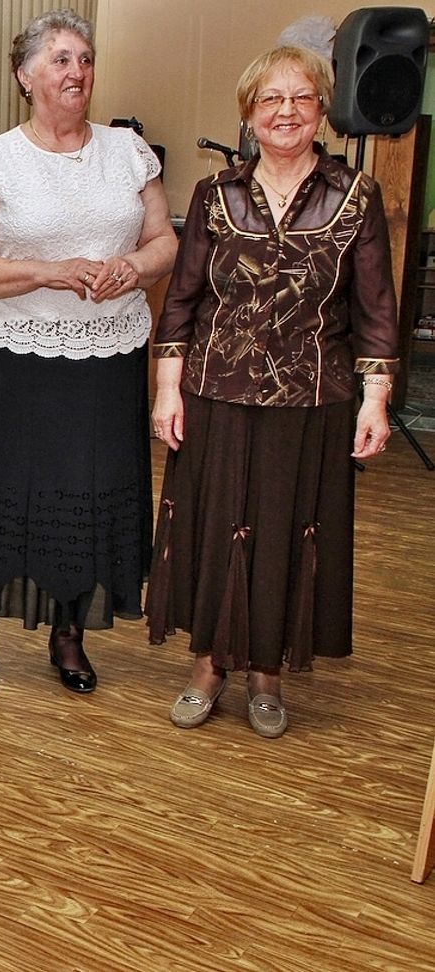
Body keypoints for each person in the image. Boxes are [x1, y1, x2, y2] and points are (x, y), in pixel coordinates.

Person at [147, 44, 399, 738]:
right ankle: (207, 666)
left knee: (286, 530)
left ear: (322, 110)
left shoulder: (357, 195)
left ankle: (266, 673)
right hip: (216, 393)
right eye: (271, 99)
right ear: (249, 113)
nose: (286, 111)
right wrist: (167, 389)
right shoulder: (215, 195)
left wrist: (375, 398)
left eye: (301, 97)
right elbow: (183, 300)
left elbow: (377, 307)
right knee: (214, 526)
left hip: (312, 398)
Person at [0, 9, 177, 697]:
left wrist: (134, 268)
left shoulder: (129, 151)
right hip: (24, 358)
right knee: (8, 491)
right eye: (61, 59)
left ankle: (70, 636)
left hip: (112, 355)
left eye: (85, 59)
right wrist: (49, 272)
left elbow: (166, 242)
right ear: (25, 76)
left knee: (93, 491)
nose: (77, 72)